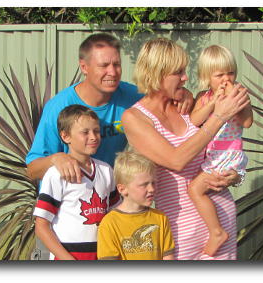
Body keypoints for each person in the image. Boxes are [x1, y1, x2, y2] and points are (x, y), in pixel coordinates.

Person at [122, 38, 250, 260]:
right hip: (180, 230)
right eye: (178, 72)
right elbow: (176, 160)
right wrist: (219, 116)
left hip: (220, 219)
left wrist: (235, 176)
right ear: (157, 74)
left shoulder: (186, 104)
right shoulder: (134, 118)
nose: (185, 78)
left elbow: (220, 150)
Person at [26, 33, 194, 184]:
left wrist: (183, 94)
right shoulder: (59, 107)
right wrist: (56, 159)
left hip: (110, 200)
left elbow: (160, 95)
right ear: (84, 67)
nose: (112, 72)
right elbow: (32, 170)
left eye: (116, 64)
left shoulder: (132, 97)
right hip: (68, 206)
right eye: (104, 65)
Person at [188, 45, 253, 257]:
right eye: (219, 75)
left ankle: (216, 232)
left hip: (228, 154)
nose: (226, 79)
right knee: (201, 189)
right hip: (213, 155)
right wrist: (213, 104)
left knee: (195, 189)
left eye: (230, 73)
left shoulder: (240, 95)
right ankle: (214, 229)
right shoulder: (205, 98)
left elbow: (248, 122)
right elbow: (194, 121)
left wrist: (239, 103)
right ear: (207, 77)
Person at [33, 105, 119, 260]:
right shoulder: (55, 174)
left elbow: (115, 214)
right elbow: (41, 226)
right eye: (85, 132)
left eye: (96, 131)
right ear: (66, 136)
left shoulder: (106, 170)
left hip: (103, 256)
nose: (93, 137)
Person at [97, 150, 175, 260]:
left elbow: (168, 257)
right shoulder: (109, 224)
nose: (151, 189)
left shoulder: (161, 218)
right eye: (144, 185)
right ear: (122, 189)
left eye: (153, 183)